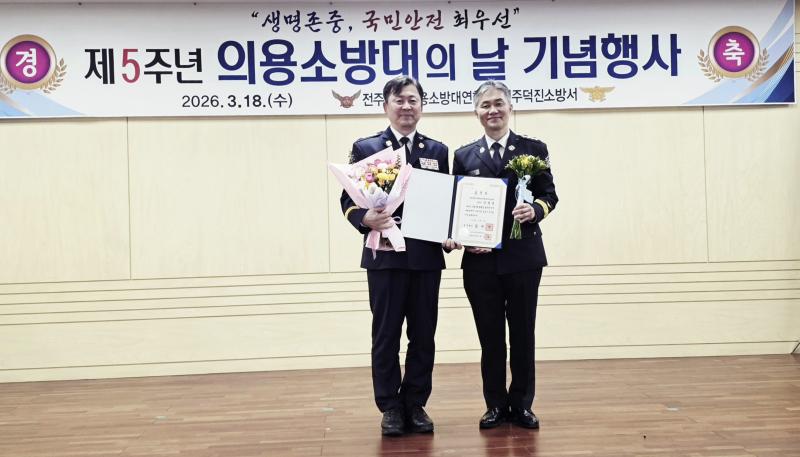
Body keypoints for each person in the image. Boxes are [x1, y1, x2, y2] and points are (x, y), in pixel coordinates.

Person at [340, 76, 450, 436]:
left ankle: (415, 403)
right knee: (386, 334)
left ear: (422, 106)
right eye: (399, 100)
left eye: (413, 100)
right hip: (384, 256)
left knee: (424, 334)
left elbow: (445, 202)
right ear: (386, 106)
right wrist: (364, 218)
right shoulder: (368, 147)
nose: (406, 106)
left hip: (425, 258)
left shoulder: (437, 151)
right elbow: (348, 199)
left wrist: (451, 233)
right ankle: (389, 406)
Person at [451, 80, 558, 430]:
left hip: (523, 257)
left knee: (523, 333)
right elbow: (458, 207)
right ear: (476, 113)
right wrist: (463, 238)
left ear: (510, 108)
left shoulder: (533, 148)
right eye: (485, 105)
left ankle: (522, 405)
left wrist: (535, 211)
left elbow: (549, 195)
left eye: (498, 103)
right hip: (480, 262)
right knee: (490, 336)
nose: (492, 110)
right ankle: (495, 405)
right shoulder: (464, 155)